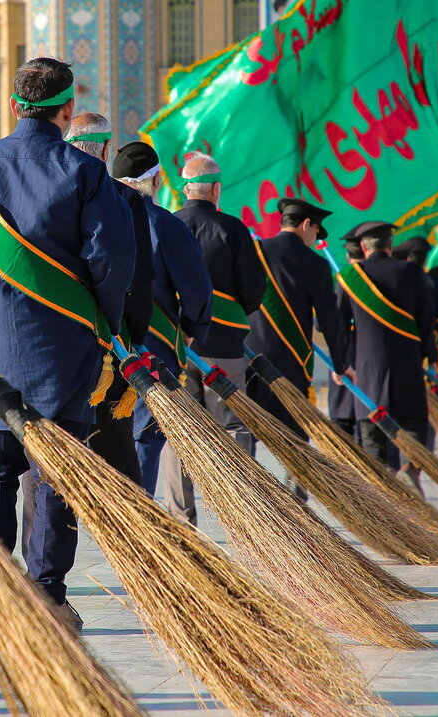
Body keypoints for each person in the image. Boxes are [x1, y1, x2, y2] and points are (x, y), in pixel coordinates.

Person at [0, 58, 134, 629]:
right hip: (62, 352)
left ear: (13, 105)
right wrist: (106, 326)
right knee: (56, 472)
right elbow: (111, 263)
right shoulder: (86, 173)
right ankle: (47, 592)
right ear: (68, 109)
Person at [18, 111, 151, 555]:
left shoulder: (31, 188)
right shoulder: (124, 200)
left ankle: (42, 576)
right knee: (118, 454)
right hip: (104, 356)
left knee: (44, 463)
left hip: (40, 350)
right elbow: (133, 278)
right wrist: (126, 337)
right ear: (107, 151)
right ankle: (143, 551)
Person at [115, 143, 213, 498]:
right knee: (145, 437)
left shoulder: (97, 221)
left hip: (102, 350)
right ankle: (139, 522)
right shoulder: (166, 226)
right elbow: (197, 290)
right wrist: (191, 330)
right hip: (152, 350)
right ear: (156, 180)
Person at [172, 151, 265, 523]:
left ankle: (182, 518)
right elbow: (254, 290)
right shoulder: (233, 229)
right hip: (224, 347)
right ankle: (245, 514)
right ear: (216, 190)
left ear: (186, 190)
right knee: (234, 427)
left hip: (177, 348)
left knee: (180, 433)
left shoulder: (168, 224)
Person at [244, 198, 352, 500]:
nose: (315, 239)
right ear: (306, 225)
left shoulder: (255, 251)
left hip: (249, 357)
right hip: (292, 363)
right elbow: (330, 321)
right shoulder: (316, 265)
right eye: (316, 232)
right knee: (294, 433)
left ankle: (249, 497)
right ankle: (295, 493)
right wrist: (340, 365)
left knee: (246, 428)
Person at [334, 224, 435, 491]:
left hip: (368, 369)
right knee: (412, 421)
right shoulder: (412, 272)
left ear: (364, 248)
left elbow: (336, 326)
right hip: (408, 364)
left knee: (371, 431)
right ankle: (409, 469)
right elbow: (427, 320)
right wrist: (429, 356)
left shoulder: (350, 276)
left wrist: (340, 363)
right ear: (390, 247)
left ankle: (380, 487)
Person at [328, 241, 364, 441]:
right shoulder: (377, 280)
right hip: (368, 361)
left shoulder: (344, 279)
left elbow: (323, 323)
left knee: (342, 427)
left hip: (342, 357)